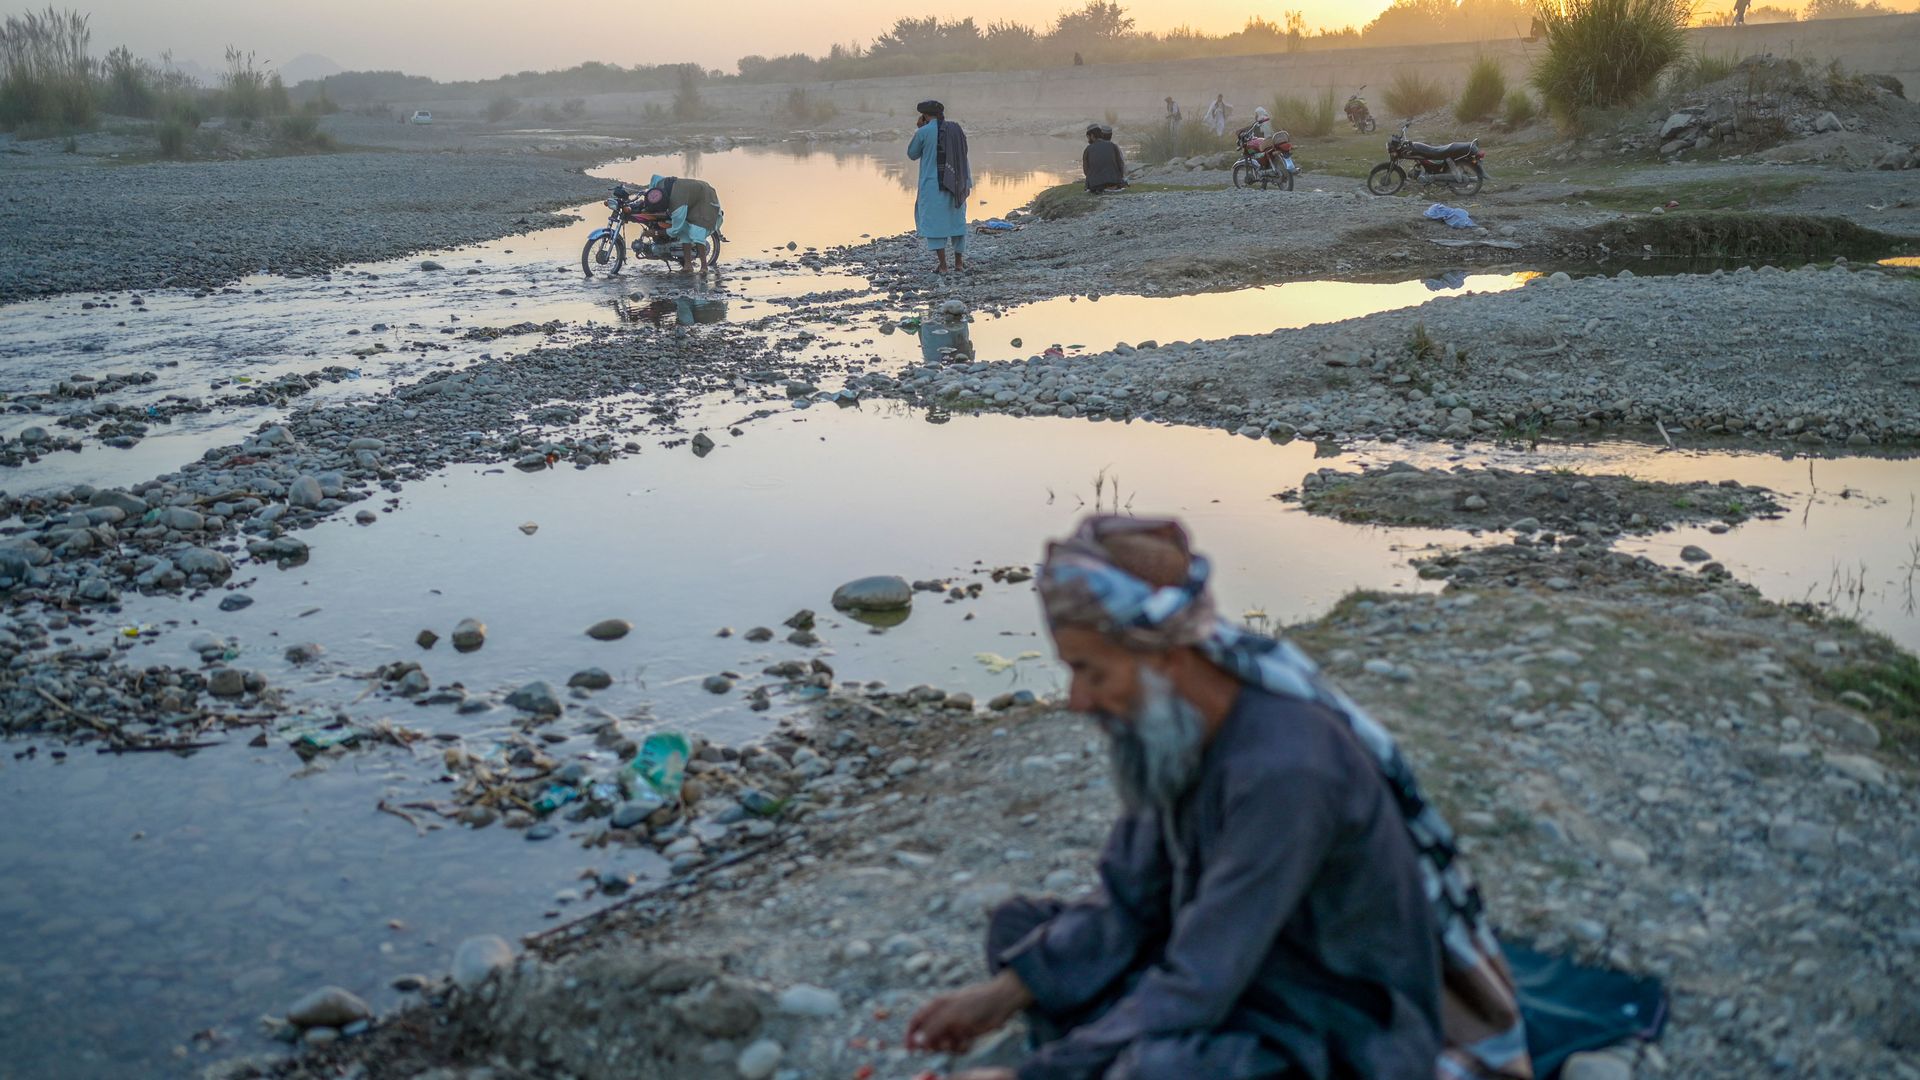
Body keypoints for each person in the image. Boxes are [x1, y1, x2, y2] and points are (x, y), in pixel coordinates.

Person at [907, 515, 1532, 1080]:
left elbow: (1202, 979)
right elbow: (1131, 895)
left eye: (1091, 672)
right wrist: (1007, 991)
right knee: (1018, 933)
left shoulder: (1287, 772)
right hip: (1236, 961)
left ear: (1170, 658)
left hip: (1328, 1010)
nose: (1078, 701)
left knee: (1163, 1068)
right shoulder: (1172, 731)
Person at [909, 99, 971, 273]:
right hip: (957, 182)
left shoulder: (923, 132)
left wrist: (920, 129)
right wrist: (967, 182)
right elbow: (963, 156)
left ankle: (943, 266)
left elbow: (912, 154)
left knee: (935, 224)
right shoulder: (956, 129)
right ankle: (959, 263)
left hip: (932, 186)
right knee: (957, 222)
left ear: (924, 115)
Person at [636, 174, 722, 272]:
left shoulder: (677, 206)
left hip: (705, 197)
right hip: (690, 198)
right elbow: (655, 177)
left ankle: (704, 266)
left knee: (696, 230)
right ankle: (688, 265)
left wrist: (655, 233)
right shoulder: (660, 187)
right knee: (684, 232)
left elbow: (675, 230)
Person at [1082, 124, 1127, 193]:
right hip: (1113, 183)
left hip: (1095, 185)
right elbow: (1121, 165)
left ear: (1092, 136)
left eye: (1088, 137)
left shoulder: (1088, 149)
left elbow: (1086, 171)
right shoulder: (1113, 146)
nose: (1088, 140)